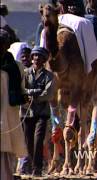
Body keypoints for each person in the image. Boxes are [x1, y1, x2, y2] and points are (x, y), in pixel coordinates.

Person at [19, 46, 55, 176]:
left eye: (39, 57)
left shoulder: (49, 76)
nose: (36, 58)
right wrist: (35, 92)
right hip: (27, 112)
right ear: (32, 57)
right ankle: (27, 166)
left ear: (44, 60)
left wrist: (33, 95)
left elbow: (49, 94)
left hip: (42, 113)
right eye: (34, 56)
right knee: (27, 140)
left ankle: (37, 169)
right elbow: (21, 90)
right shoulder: (25, 73)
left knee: (38, 139)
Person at [1, 29, 28, 180]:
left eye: (3, 44)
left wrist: (24, 98)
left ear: (6, 45)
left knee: (7, 150)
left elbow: (22, 90)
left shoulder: (17, 67)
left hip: (9, 113)